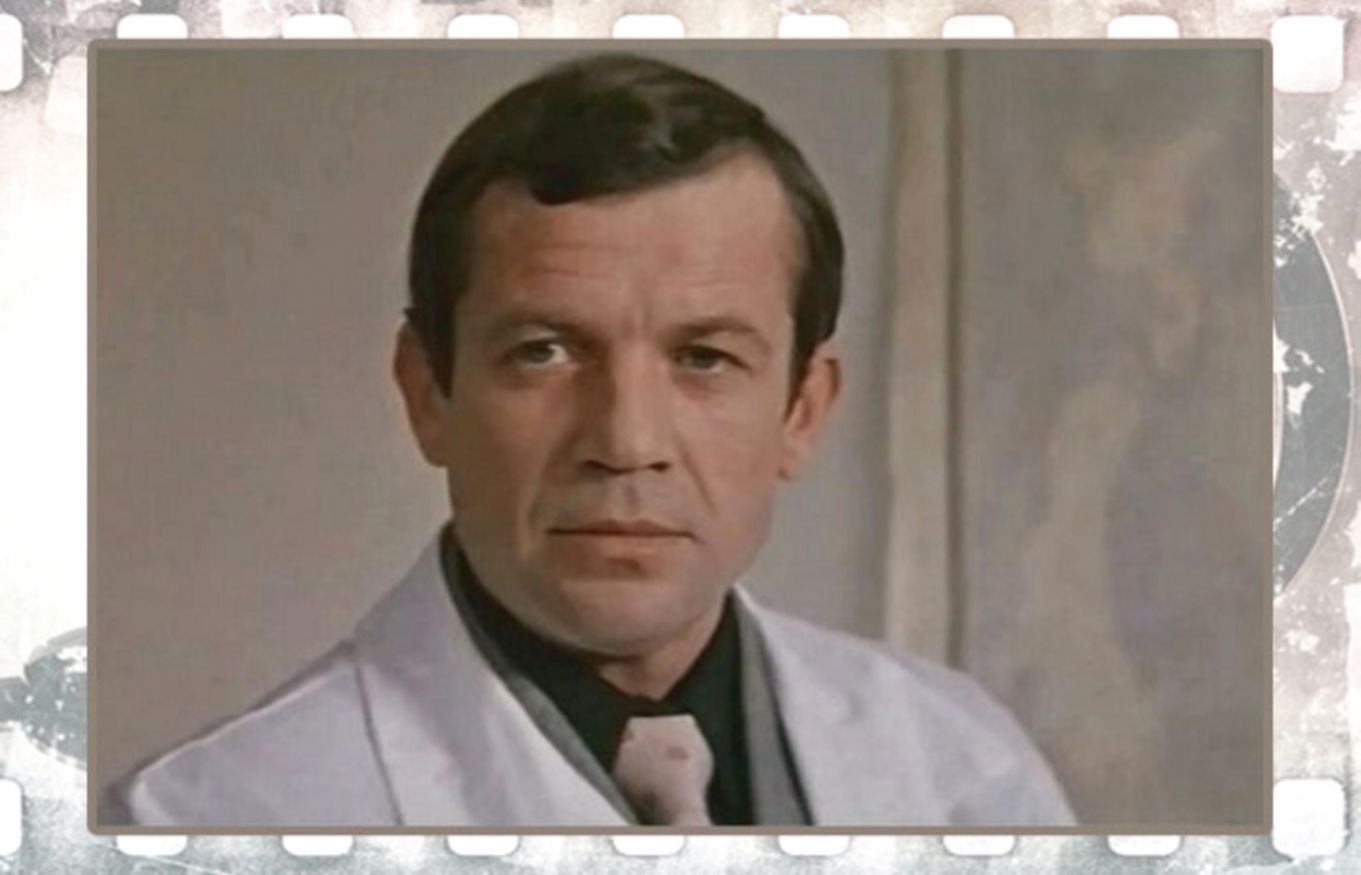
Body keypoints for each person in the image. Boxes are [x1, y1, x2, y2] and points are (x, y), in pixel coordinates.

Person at [101, 52, 1073, 828]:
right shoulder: (208, 819)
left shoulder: (965, 771)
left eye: (703, 357)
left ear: (801, 410)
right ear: (428, 391)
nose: (625, 440)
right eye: (544, 351)